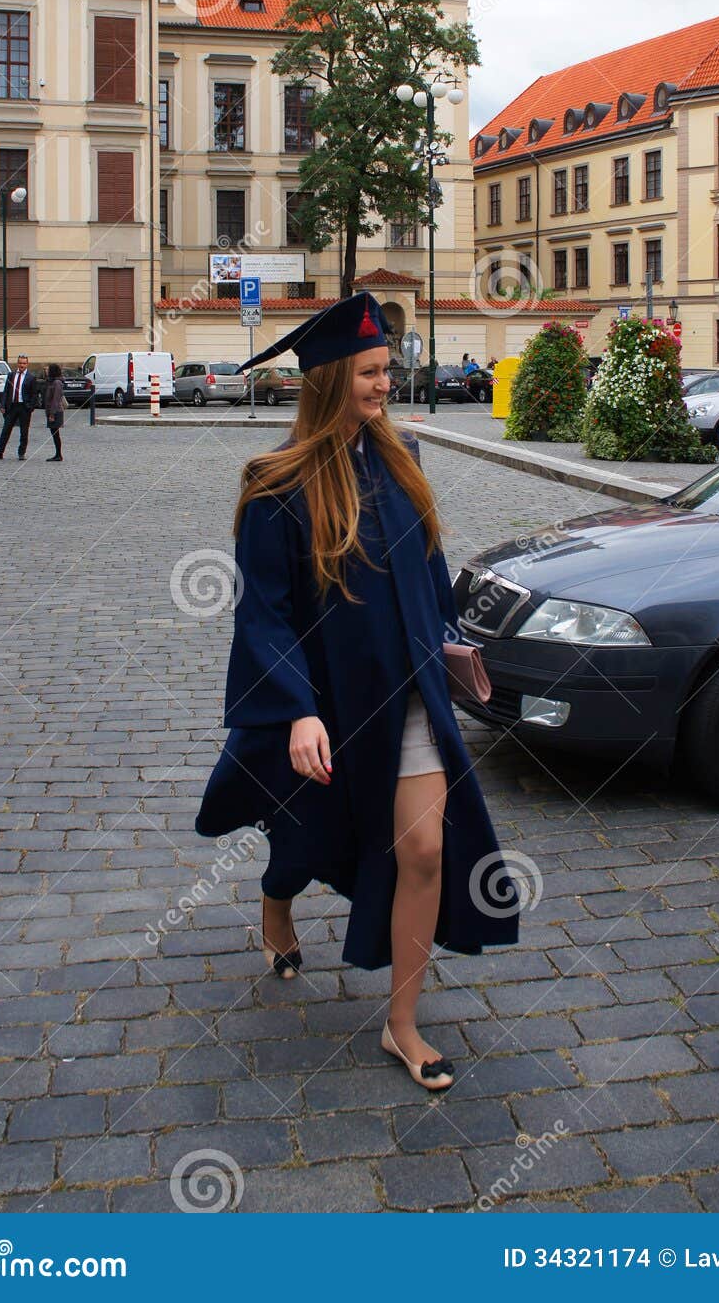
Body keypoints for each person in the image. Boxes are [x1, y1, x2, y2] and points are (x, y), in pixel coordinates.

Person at [196, 292, 517, 1093]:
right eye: (371, 372)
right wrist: (297, 707)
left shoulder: (403, 454)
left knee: (424, 848)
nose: (386, 383)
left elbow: (426, 571)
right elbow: (263, 615)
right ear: (331, 378)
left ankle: (401, 1024)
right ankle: (277, 902)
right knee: (304, 838)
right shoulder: (274, 484)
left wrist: (449, 645)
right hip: (324, 702)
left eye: (386, 370)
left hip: (406, 693)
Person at [0, 355, 36, 461]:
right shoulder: (11, 375)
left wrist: (30, 407)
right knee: (6, 430)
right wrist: (3, 404)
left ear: (27, 364)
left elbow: (34, 395)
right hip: (12, 406)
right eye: (20, 363)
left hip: (24, 407)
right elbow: (6, 391)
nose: (21, 365)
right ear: (17, 364)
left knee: (24, 431)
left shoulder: (31, 377)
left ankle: (21, 452)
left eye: (24, 363)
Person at [43, 363, 66, 462]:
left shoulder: (57, 383)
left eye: (48, 370)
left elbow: (56, 400)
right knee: (54, 434)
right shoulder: (51, 382)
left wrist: (52, 414)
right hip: (52, 411)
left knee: (56, 434)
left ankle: (58, 454)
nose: (46, 371)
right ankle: (57, 453)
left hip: (56, 412)